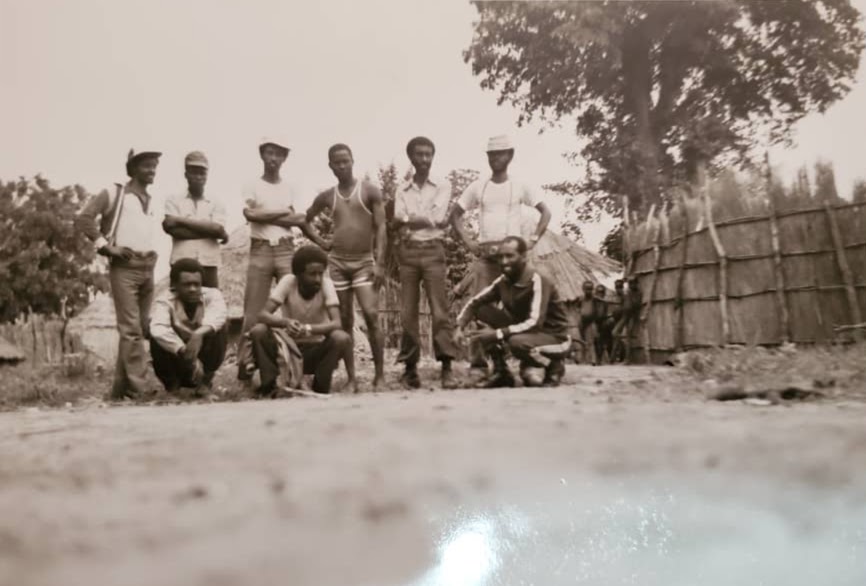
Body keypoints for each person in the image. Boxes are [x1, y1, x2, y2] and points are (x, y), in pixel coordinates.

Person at [450, 135, 553, 384]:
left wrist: (532, 240)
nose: (496, 159)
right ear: (487, 158)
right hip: (486, 258)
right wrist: (469, 242)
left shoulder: (520, 185)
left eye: (501, 154)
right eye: (491, 155)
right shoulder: (478, 186)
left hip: (515, 259)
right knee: (479, 307)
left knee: (523, 308)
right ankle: (480, 364)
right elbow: (455, 215)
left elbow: (545, 212)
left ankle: (528, 364)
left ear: (511, 155)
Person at [75, 148, 162, 400]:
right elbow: (84, 219)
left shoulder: (150, 199)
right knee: (131, 329)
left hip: (149, 265)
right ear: (133, 168)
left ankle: (119, 391)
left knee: (140, 327)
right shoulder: (115, 193)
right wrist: (106, 246)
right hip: (125, 266)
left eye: (155, 165)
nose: (152, 170)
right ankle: (141, 389)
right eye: (146, 165)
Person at [304, 144, 387, 390]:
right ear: (330, 166)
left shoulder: (370, 191)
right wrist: (321, 241)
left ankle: (379, 376)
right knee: (346, 320)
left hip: (363, 261)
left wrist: (380, 263)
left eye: (346, 161)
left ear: (353, 161)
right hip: (338, 262)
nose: (342, 166)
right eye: (337, 162)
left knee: (371, 316)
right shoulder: (328, 196)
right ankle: (352, 378)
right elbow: (304, 219)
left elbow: (382, 227)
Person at [237, 136, 309, 380]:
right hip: (261, 248)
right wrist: (282, 213)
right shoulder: (252, 184)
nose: (274, 158)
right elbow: (250, 214)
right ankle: (245, 364)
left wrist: (264, 215)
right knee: (254, 309)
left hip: (286, 248)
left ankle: (296, 363)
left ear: (285, 158)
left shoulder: (291, 186)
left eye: (279, 154)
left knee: (294, 304)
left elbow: (299, 220)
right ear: (262, 155)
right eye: (269, 153)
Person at [455, 236, 570, 388]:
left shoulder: (539, 280)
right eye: (501, 256)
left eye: (510, 256)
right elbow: (475, 302)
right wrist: (459, 326)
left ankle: (553, 366)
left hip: (554, 337)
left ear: (523, 257)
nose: (504, 261)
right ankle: (501, 372)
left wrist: (497, 334)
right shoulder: (503, 281)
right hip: (526, 332)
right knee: (483, 310)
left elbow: (535, 322)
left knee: (517, 343)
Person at [392, 136, 459, 389]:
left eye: (428, 154)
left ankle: (447, 367)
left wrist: (408, 219)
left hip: (433, 251)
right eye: (419, 155)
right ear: (411, 157)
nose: (424, 160)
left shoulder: (443, 185)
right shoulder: (402, 188)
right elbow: (397, 219)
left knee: (440, 311)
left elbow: (437, 217)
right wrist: (417, 220)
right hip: (408, 253)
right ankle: (410, 369)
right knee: (407, 313)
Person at [248, 245, 352, 396]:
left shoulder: (326, 284)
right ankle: (269, 387)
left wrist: (308, 329)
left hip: (315, 351)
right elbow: (262, 315)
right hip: (288, 351)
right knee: (259, 331)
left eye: (320, 274)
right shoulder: (289, 282)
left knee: (340, 337)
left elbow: (337, 323)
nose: (317, 279)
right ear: (298, 275)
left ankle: (320, 388)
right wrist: (286, 322)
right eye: (312, 274)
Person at [149, 258, 228, 393]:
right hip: (177, 358)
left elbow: (219, 315)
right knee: (155, 336)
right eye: (187, 284)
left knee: (220, 328)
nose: (193, 289)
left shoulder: (212, 295)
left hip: (203, 357)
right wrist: (183, 349)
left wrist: (198, 334)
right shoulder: (164, 300)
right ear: (174, 285)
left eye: (196, 284)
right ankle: (172, 386)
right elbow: (158, 328)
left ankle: (204, 383)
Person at [162, 151, 228, 288]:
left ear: (207, 175)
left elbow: (217, 228)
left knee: (211, 303)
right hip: (181, 263)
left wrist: (180, 221)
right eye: (194, 172)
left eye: (202, 173)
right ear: (186, 174)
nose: (198, 177)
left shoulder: (216, 202)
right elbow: (174, 231)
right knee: (178, 306)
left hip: (208, 263)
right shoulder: (173, 200)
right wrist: (211, 231)